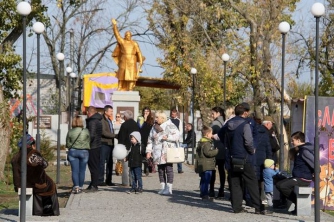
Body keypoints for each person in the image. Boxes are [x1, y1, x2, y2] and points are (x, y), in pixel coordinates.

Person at [219, 104, 270, 215]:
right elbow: (248, 141)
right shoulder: (245, 124)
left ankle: (237, 207)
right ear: (245, 113)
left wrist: (228, 145)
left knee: (235, 183)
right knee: (252, 182)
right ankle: (258, 207)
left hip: (231, 158)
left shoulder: (228, 124)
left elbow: (220, 134)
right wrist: (252, 150)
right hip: (245, 157)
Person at [11, 134, 60, 216]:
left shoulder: (16, 156)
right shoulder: (32, 154)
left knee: (46, 181)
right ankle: (47, 210)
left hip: (19, 184)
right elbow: (44, 164)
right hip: (34, 184)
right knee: (50, 185)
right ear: (32, 144)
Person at [276, 131, 314, 215]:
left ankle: (298, 203)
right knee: (279, 184)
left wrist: (315, 173)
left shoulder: (304, 151)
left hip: (303, 178)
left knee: (283, 186)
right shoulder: (300, 150)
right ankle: (294, 203)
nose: (292, 142)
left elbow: (315, 163)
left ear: (298, 140)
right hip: (298, 177)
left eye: (293, 140)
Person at [146, 110, 181, 195]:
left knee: (169, 169)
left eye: (157, 117)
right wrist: (148, 151)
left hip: (167, 151)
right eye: (156, 117)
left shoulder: (170, 125)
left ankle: (169, 188)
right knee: (160, 170)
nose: (156, 119)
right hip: (157, 151)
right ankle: (162, 186)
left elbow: (177, 135)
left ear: (163, 118)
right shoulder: (154, 127)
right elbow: (150, 139)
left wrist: (168, 137)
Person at [111, 18, 144, 91]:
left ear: (131, 36)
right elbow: (117, 34)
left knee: (131, 75)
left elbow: (139, 53)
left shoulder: (134, 43)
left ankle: (130, 88)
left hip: (132, 61)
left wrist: (141, 61)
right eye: (127, 35)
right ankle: (120, 87)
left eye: (129, 35)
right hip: (123, 59)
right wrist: (114, 25)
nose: (128, 36)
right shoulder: (122, 42)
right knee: (121, 74)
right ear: (125, 36)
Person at [66, 116, 90, 194]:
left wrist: (71, 146)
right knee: (82, 171)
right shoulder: (86, 131)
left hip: (73, 152)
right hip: (84, 152)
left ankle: (76, 186)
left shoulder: (70, 131)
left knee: (74, 170)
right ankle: (80, 187)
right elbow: (88, 141)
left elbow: (67, 143)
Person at [117, 110, 140, 186]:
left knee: (125, 166)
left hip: (125, 147)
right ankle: (132, 182)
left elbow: (121, 137)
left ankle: (125, 182)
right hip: (134, 147)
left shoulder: (124, 125)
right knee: (132, 165)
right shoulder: (136, 124)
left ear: (126, 117)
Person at [196, 125, 219, 200]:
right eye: (211, 133)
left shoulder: (202, 142)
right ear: (207, 134)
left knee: (203, 180)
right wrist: (216, 151)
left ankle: (203, 193)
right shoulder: (207, 143)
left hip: (203, 164)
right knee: (206, 180)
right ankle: (205, 194)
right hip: (207, 165)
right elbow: (208, 153)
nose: (212, 135)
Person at [254, 116, 273, 203]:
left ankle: (252, 198)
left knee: (252, 178)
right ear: (267, 124)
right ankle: (261, 198)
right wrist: (270, 160)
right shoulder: (266, 133)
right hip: (262, 159)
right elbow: (269, 148)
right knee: (261, 179)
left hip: (252, 157)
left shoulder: (251, 131)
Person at [209, 106, 226, 198]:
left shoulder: (215, 123)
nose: (212, 115)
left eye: (213, 113)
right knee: (222, 170)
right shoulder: (225, 122)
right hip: (223, 149)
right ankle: (221, 190)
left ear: (218, 113)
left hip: (215, 149)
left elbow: (208, 134)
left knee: (212, 169)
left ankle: (211, 190)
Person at [99, 105, 117, 186]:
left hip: (110, 144)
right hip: (104, 144)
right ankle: (100, 180)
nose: (112, 113)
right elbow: (104, 132)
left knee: (110, 162)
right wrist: (115, 135)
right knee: (102, 162)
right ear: (105, 112)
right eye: (110, 111)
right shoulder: (102, 120)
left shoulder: (109, 120)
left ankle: (109, 180)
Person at [85, 106, 103, 192]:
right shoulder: (98, 120)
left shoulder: (92, 121)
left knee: (93, 167)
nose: (86, 114)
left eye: (87, 112)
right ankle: (93, 184)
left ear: (89, 112)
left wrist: (85, 142)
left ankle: (94, 185)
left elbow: (91, 135)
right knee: (94, 166)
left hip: (93, 147)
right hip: (97, 145)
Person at [139, 107, 155, 176]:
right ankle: (141, 168)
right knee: (142, 153)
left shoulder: (151, 120)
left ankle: (146, 167)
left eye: (147, 111)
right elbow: (140, 128)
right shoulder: (140, 118)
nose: (146, 113)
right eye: (145, 111)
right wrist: (144, 120)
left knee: (147, 154)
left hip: (149, 138)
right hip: (142, 138)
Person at [169, 108, 184, 173]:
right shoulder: (168, 120)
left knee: (178, 153)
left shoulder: (179, 121)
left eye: (174, 113)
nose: (173, 114)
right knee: (170, 153)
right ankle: (170, 168)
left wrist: (177, 136)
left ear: (176, 114)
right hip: (170, 139)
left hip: (177, 139)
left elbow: (180, 130)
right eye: (172, 113)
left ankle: (179, 169)